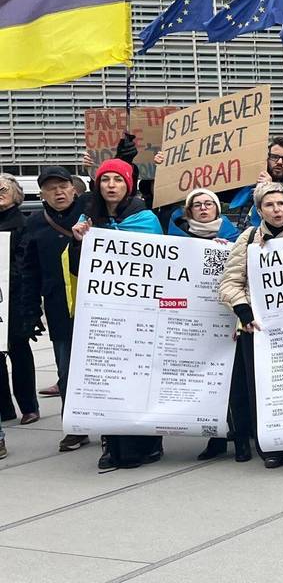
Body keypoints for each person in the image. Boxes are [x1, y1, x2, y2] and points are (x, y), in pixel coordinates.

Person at [68, 159, 165, 470]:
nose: (111, 185)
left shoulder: (146, 219)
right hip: (104, 315)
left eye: (117, 180)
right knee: (107, 379)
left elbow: (164, 264)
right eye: (105, 179)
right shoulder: (87, 220)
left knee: (140, 379)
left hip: (140, 313)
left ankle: (147, 444)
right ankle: (111, 445)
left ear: (128, 185)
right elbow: (76, 270)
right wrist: (78, 243)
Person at [218, 182, 283, 468]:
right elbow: (230, 284)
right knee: (261, 389)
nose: (276, 209)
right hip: (257, 329)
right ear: (259, 211)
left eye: (281, 204)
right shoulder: (247, 239)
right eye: (269, 205)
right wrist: (244, 312)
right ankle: (268, 445)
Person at [164, 188, 244, 460]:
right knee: (204, 380)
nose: (203, 208)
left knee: (236, 383)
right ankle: (214, 438)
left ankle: (242, 438)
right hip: (194, 321)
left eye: (209, 203)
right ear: (189, 211)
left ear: (217, 209)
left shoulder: (236, 238)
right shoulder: (175, 240)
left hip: (228, 317)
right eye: (197, 205)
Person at [16, 166, 87, 451]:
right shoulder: (34, 223)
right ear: (41, 193)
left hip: (98, 306)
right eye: (51, 188)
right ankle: (74, 427)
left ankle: (110, 425)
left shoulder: (92, 210)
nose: (58, 192)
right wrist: (30, 310)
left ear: (73, 188)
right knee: (67, 371)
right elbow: (28, 269)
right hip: (60, 309)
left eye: (63, 186)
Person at [0, 173, 37, 428]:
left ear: (16, 193)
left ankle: (28, 406)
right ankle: (5, 408)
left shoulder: (24, 224)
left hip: (15, 297)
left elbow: (26, 263)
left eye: (2, 188)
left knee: (19, 350)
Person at [223, 136, 283, 228]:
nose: (279, 162)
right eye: (274, 157)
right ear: (267, 158)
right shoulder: (252, 179)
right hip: (246, 239)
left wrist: (268, 188)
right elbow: (220, 193)